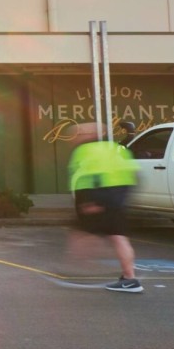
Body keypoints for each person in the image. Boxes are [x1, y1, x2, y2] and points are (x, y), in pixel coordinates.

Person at [67, 123, 140, 292]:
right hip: (118, 196)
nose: (74, 138)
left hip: (97, 195)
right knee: (119, 236)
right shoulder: (116, 148)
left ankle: (74, 269)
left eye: (78, 134)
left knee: (81, 232)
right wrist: (122, 198)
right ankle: (130, 278)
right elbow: (133, 172)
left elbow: (85, 175)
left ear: (89, 135)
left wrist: (89, 201)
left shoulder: (84, 150)